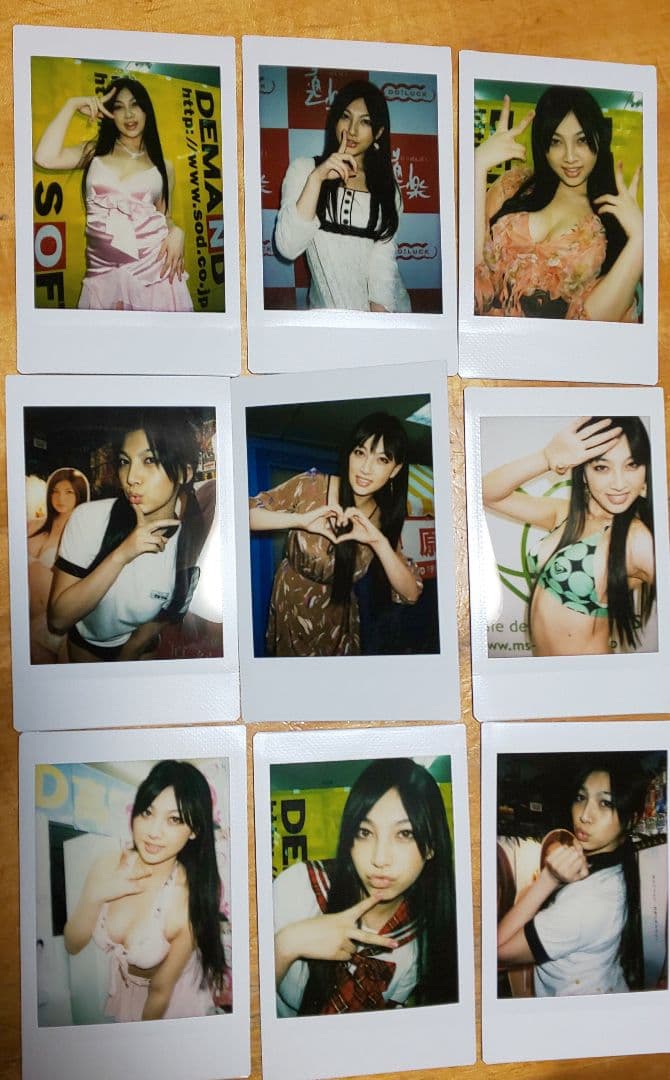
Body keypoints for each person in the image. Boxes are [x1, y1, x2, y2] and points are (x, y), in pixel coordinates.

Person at [273, 757, 458, 1015]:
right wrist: (286, 945)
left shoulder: (423, 941)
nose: (379, 859)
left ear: (431, 847)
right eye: (365, 832)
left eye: (405, 834)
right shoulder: (298, 888)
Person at [64, 760, 227, 1022]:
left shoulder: (185, 904)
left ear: (194, 830)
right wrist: (96, 896)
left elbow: (160, 992)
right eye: (147, 813)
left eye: (174, 819)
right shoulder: (108, 865)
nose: (153, 832)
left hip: (173, 1007)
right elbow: (73, 944)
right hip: (126, 996)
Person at [249, 412, 422, 656]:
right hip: (292, 603)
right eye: (360, 453)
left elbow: (410, 593)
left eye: (382, 459)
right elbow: (244, 515)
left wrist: (378, 541)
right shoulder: (312, 484)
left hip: (338, 620)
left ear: (395, 470)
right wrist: (300, 521)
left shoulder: (383, 520)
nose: (366, 468)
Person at [48, 409, 212, 661]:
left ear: (185, 473)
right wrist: (122, 554)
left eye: (150, 460)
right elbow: (59, 619)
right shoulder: (90, 518)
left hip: (142, 651)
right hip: (85, 647)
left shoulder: (190, 540)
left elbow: (171, 610)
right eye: (125, 462)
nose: (131, 478)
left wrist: (131, 652)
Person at [482, 416, 655, 656]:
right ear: (583, 472)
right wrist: (546, 458)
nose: (618, 483)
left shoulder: (636, 539)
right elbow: (486, 493)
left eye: (632, 465)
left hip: (588, 676)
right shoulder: (565, 513)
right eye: (602, 467)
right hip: (545, 670)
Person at [474, 86, 643, 321]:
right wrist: (477, 166)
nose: (570, 157)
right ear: (542, 145)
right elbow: (471, 280)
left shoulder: (612, 219)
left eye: (582, 140)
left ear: (599, 138)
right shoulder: (513, 186)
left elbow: (591, 324)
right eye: (556, 141)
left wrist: (640, 239)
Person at [34, 76, 193, 312]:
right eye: (119, 107)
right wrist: (72, 104)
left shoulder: (164, 166)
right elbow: (44, 158)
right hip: (102, 279)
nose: (128, 114)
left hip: (154, 276)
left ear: (146, 111)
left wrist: (177, 231)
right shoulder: (94, 152)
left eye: (135, 105)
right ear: (109, 114)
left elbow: (164, 216)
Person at [497, 757, 647, 997]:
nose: (585, 815)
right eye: (580, 797)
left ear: (632, 819)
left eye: (605, 803)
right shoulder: (614, 866)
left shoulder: (588, 901)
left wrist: (548, 879)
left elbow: (496, 952)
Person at [274, 79, 411, 312]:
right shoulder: (304, 170)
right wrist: (317, 178)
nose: (352, 130)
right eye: (346, 117)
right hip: (327, 319)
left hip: (384, 312)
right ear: (335, 120)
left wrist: (379, 322)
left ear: (378, 132)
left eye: (365, 121)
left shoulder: (388, 188)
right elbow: (288, 247)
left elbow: (383, 263)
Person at [27, 467, 89, 663]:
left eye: (69, 492)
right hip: (26, 623)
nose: (60, 498)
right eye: (55, 491)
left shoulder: (81, 535)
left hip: (57, 628)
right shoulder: (32, 525)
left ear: (80, 495)